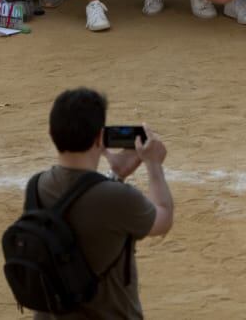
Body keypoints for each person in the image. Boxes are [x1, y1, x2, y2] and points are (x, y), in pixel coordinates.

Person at [27, 88, 175, 320]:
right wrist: (153, 165)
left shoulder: (36, 187)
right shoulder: (117, 198)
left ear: (51, 133)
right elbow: (163, 218)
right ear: (99, 138)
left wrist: (117, 175)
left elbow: (80, 210)